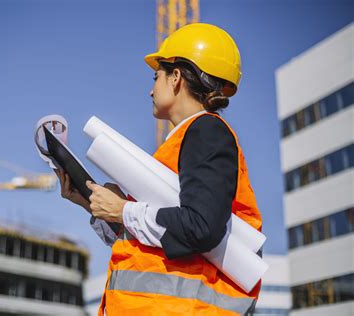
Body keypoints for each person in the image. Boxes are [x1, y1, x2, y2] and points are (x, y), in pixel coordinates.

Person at [56, 23, 262, 315]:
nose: (150, 89)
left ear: (176, 77)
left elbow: (201, 227)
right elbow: (162, 239)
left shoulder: (206, 131)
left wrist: (121, 210)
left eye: (156, 76)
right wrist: (92, 204)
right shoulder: (182, 142)